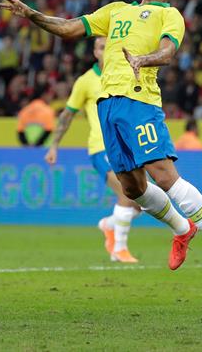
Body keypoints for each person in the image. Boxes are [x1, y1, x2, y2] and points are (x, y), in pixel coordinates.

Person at [0, 0, 202, 282]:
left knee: (164, 175)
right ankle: (183, 229)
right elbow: (69, 29)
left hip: (139, 101)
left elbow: (169, 52)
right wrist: (30, 14)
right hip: (107, 106)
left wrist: (145, 59)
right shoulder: (115, 12)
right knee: (134, 188)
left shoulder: (170, 15)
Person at [45, 37, 141, 263]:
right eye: (101, 48)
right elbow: (67, 114)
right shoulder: (86, 81)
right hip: (101, 147)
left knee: (142, 202)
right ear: (95, 52)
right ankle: (119, 248)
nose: (106, 51)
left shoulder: (125, 74)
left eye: (110, 47)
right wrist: (54, 145)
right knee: (126, 194)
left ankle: (109, 225)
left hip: (127, 148)